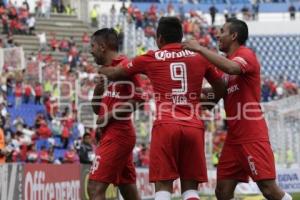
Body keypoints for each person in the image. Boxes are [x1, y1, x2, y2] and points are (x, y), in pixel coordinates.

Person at [97, 17, 225, 200]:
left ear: (160, 39)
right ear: (180, 37)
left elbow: (116, 73)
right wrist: (208, 102)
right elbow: (220, 88)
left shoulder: (151, 57)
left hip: (166, 126)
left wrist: (102, 70)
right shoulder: (199, 57)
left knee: (163, 189)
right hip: (193, 127)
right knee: (190, 191)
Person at [182, 18, 292, 200]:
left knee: (269, 189)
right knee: (222, 192)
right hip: (234, 138)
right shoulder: (226, 65)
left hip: (252, 134)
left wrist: (200, 49)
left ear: (234, 35)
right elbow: (213, 98)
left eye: (222, 31)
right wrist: (187, 94)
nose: (218, 35)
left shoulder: (245, 55)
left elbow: (233, 68)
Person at [88, 28, 144, 200]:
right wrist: (97, 93)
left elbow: (139, 98)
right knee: (128, 190)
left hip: (119, 134)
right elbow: (97, 110)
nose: (91, 51)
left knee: (94, 188)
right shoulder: (106, 71)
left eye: (93, 46)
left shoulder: (125, 66)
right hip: (111, 134)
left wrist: (109, 115)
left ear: (103, 47)